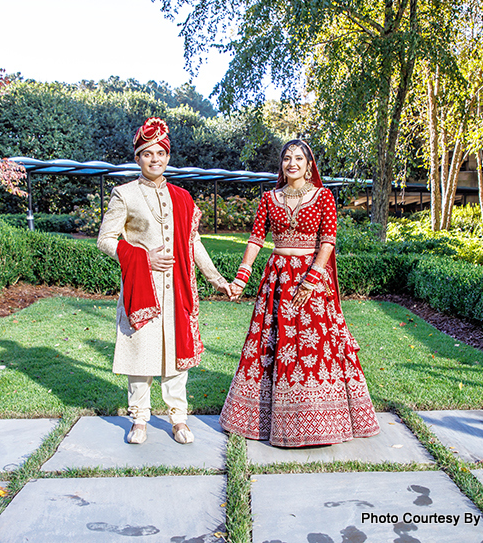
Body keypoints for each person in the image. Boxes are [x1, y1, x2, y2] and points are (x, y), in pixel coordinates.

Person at [219, 139, 380, 447]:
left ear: (309, 165)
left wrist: (311, 280)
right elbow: (255, 240)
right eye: (286, 158)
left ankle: (321, 423)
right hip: (278, 278)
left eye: (298, 159)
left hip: (312, 279)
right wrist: (242, 276)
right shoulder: (269, 198)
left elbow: (328, 242)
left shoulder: (323, 197)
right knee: (272, 345)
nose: (292, 163)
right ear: (282, 164)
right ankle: (265, 420)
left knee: (313, 347)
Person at [97, 117, 232, 445]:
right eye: (147, 153)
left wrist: (216, 279)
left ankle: (178, 418)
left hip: (176, 289)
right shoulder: (124, 194)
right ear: (138, 158)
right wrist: (143, 257)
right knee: (140, 354)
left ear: (168, 156)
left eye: (160, 153)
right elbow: (105, 239)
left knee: (175, 355)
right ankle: (140, 419)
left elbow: (193, 242)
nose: (154, 159)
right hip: (141, 288)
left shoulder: (183, 198)